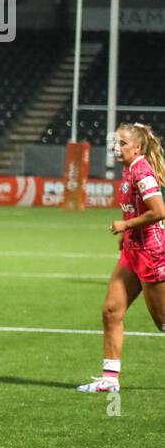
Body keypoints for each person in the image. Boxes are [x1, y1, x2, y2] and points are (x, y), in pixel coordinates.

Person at [78, 122, 165, 393]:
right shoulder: (128, 170)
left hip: (152, 252)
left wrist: (126, 226)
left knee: (163, 322)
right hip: (132, 251)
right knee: (111, 311)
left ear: (137, 147)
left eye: (123, 144)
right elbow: (134, 210)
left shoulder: (142, 172)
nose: (117, 148)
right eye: (116, 143)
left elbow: (159, 211)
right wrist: (126, 235)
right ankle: (109, 380)